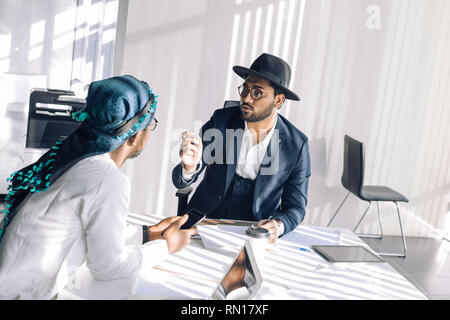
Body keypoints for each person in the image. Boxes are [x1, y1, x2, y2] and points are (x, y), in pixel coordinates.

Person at [0, 75, 195, 299]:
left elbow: (87, 230)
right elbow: (107, 268)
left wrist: (146, 234)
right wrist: (166, 247)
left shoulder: (69, 159)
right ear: (134, 136)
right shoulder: (108, 181)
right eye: (151, 124)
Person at [172, 53, 311, 243]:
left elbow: (296, 207)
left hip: (254, 232)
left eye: (257, 93)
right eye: (245, 90)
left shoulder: (296, 145)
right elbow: (182, 181)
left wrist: (278, 225)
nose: (246, 98)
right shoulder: (221, 121)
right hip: (204, 222)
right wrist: (189, 168)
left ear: (278, 101)